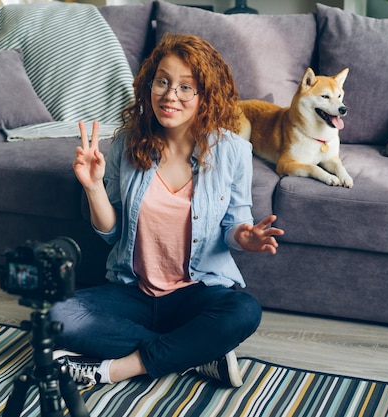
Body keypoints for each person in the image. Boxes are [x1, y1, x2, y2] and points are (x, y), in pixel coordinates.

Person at [50, 33, 285, 388]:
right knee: (58, 315)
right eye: (162, 81)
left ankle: (116, 369)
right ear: (149, 84)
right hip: (134, 289)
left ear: (205, 95)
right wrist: (93, 186)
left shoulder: (234, 151)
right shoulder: (128, 142)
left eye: (186, 87)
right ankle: (196, 352)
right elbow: (112, 231)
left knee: (244, 311)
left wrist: (245, 237)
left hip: (197, 290)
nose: (170, 95)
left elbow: (235, 224)